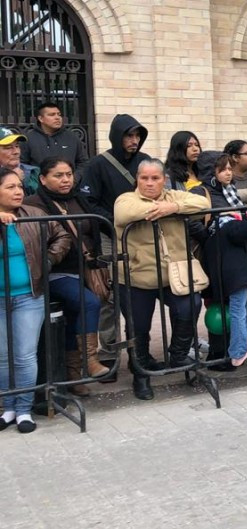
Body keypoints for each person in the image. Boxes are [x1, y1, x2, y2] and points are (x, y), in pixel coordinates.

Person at [113, 158, 210, 400]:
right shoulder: (126, 198)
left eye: (155, 178)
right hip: (136, 277)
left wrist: (173, 207)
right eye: (144, 178)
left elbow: (203, 203)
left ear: (164, 180)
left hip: (174, 276)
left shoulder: (174, 196)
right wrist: (161, 209)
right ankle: (141, 373)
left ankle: (178, 354)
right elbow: (124, 214)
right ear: (137, 179)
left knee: (190, 305)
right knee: (138, 327)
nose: (149, 183)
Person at [24, 157, 111, 395]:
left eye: (69, 175)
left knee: (74, 318)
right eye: (58, 175)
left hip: (84, 269)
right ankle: (89, 360)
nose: (65, 180)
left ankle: (73, 376)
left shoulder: (78, 199)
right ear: (43, 179)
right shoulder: (33, 204)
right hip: (53, 271)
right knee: (88, 303)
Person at [0, 167, 70, 433]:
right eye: (10, 187)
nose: (18, 191)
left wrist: (48, 260)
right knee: (3, 356)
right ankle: (7, 408)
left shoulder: (33, 214)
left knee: (25, 355)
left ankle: (23, 410)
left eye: (19, 186)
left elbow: (62, 235)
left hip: (29, 296)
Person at [80, 114, 150, 373]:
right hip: (109, 237)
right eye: (129, 135)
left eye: (138, 135)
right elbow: (88, 201)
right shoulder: (98, 165)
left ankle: (139, 352)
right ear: (117, 136)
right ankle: (109, 353)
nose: (134, 140)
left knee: (140, 294)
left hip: (142, 237)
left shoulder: (145, 162)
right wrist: (115, 220)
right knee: (110, 297)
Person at [199, 155, 247, 367]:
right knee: (237, 308)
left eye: (229, 169)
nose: (228, 173)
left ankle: (242, 342)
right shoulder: (207, 193)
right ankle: (238, 350)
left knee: (238, 308)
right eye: (222, 169)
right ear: (212, 172)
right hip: (229, 266)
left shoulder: (229, 191)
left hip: (229, 262)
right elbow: (234, 231)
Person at [20, 102, 89, 168]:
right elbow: (22, 164)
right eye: (52, 115)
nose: (57, 117)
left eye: (59, 114)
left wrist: (74, 176)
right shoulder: (29, 139)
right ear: (40, 118)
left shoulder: (72, 137)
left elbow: (83, 162)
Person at [0, 128, 39, 195]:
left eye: (17, 146)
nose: (16, 152)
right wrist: (12, 178)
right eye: (8, 148)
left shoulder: (33, 172)